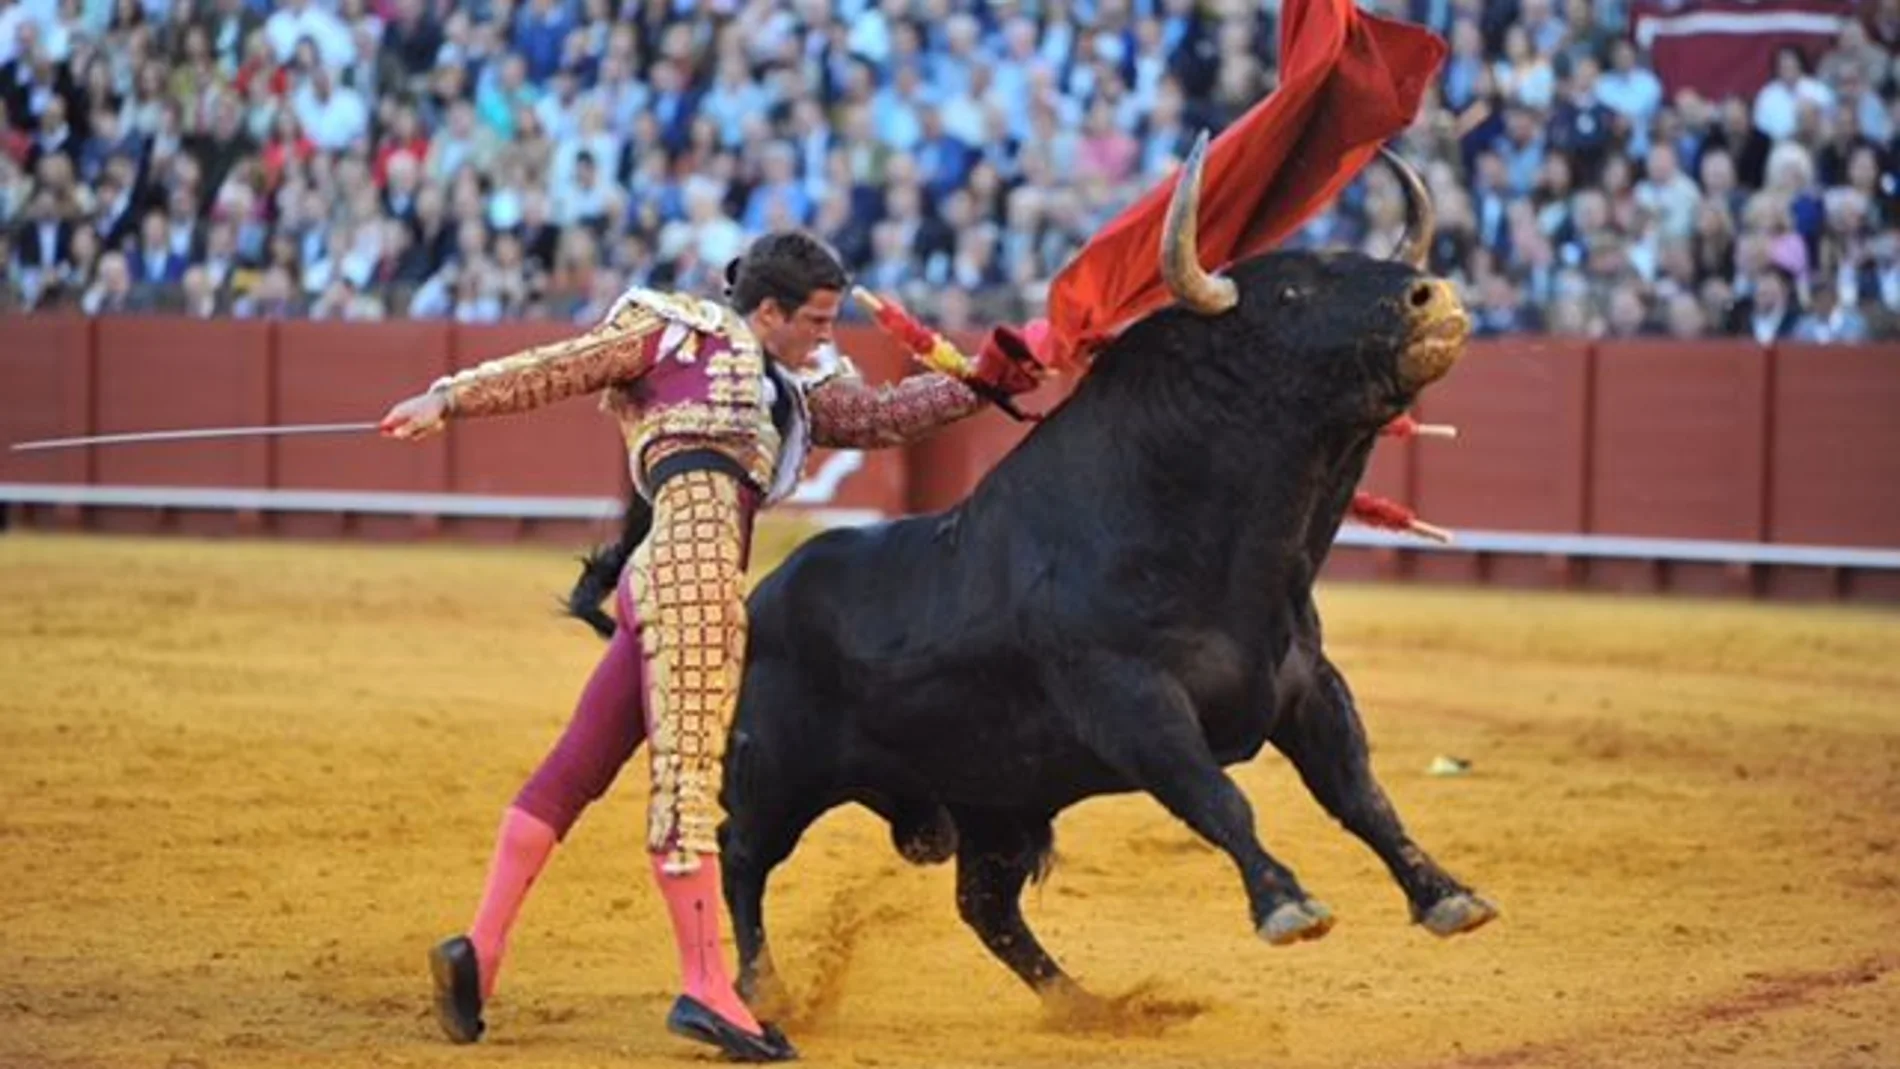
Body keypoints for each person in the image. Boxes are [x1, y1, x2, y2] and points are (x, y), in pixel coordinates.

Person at [377, 230, 1041, 1061]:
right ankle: (705, 988)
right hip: (694, 569)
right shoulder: (676, 325)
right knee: (688, 792)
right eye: (820, 321)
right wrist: (450, 396)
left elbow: (883, 415)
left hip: (661, 569)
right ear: (769, 310)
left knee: (576, 765)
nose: (828, 339)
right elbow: (559, 365)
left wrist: (990, 377)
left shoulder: (788, 382)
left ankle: (482, 949)